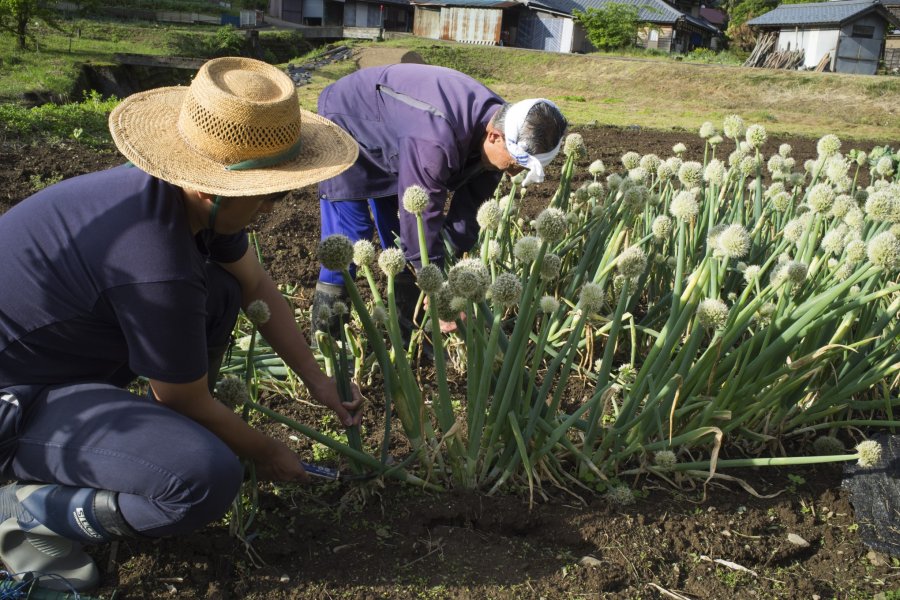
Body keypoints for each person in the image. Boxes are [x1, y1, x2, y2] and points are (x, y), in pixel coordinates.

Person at [0, 57, 362, 591]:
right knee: (204, 478)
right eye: (270, 194)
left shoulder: (181, 205)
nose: (274, 207)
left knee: (222, 291)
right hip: (14, 397)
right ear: (211, 189)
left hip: (53, 358)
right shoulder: (155, 259)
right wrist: (264, 452)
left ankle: (131, 455)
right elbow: (183, 398)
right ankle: (25, 511)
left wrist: (318, 381)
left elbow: (256, 287)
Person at [311, 64, 568, 339]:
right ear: (494, 137)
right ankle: (328, 343)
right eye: (517, 164)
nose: (515, 173)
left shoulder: (504, 124)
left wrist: (445, 271)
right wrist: (435, 283)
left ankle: (407, 335)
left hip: (396, 133)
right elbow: (420, 216)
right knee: (350, 237)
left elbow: (469, 209)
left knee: (395, 238)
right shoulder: (436, 140)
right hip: (348, 117)